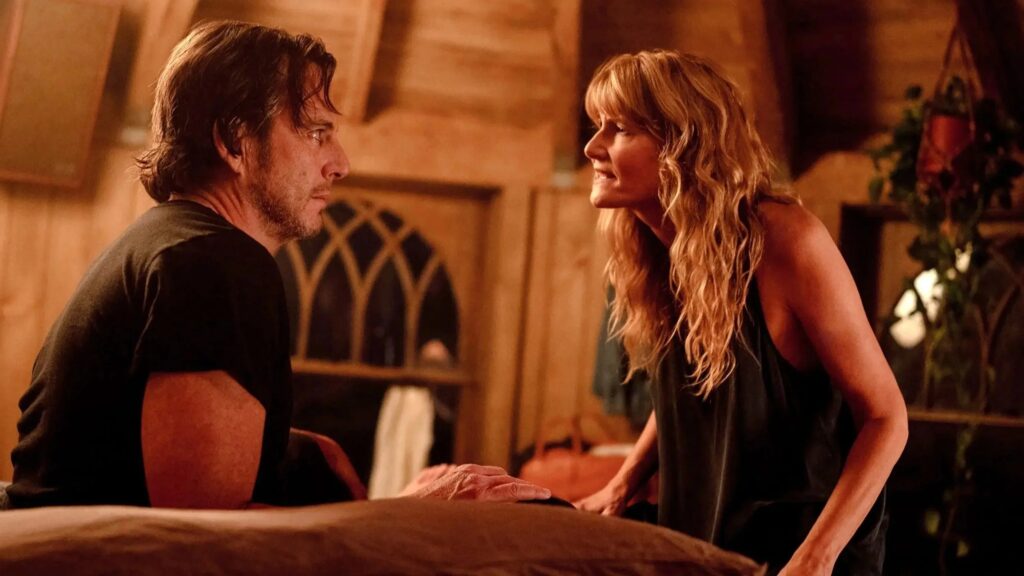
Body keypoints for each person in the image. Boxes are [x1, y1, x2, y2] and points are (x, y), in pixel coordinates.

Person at [5, 21, 548, 510]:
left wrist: (302, 452)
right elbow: (206, 540)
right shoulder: (213, 263)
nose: (340, 163)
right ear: (235, 141)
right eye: (315, 133)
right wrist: (406, 513)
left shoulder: (172, 244)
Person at [574, 50, 908, 575]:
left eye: (619, 129)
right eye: (599, 126)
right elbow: (697, 387)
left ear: (681, 145)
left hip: (803, 553)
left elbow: (887, 418)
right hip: (711, 550)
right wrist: (622, 484)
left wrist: (815, 558)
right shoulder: (660, 252)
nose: (593, 147)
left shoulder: (787, 241)